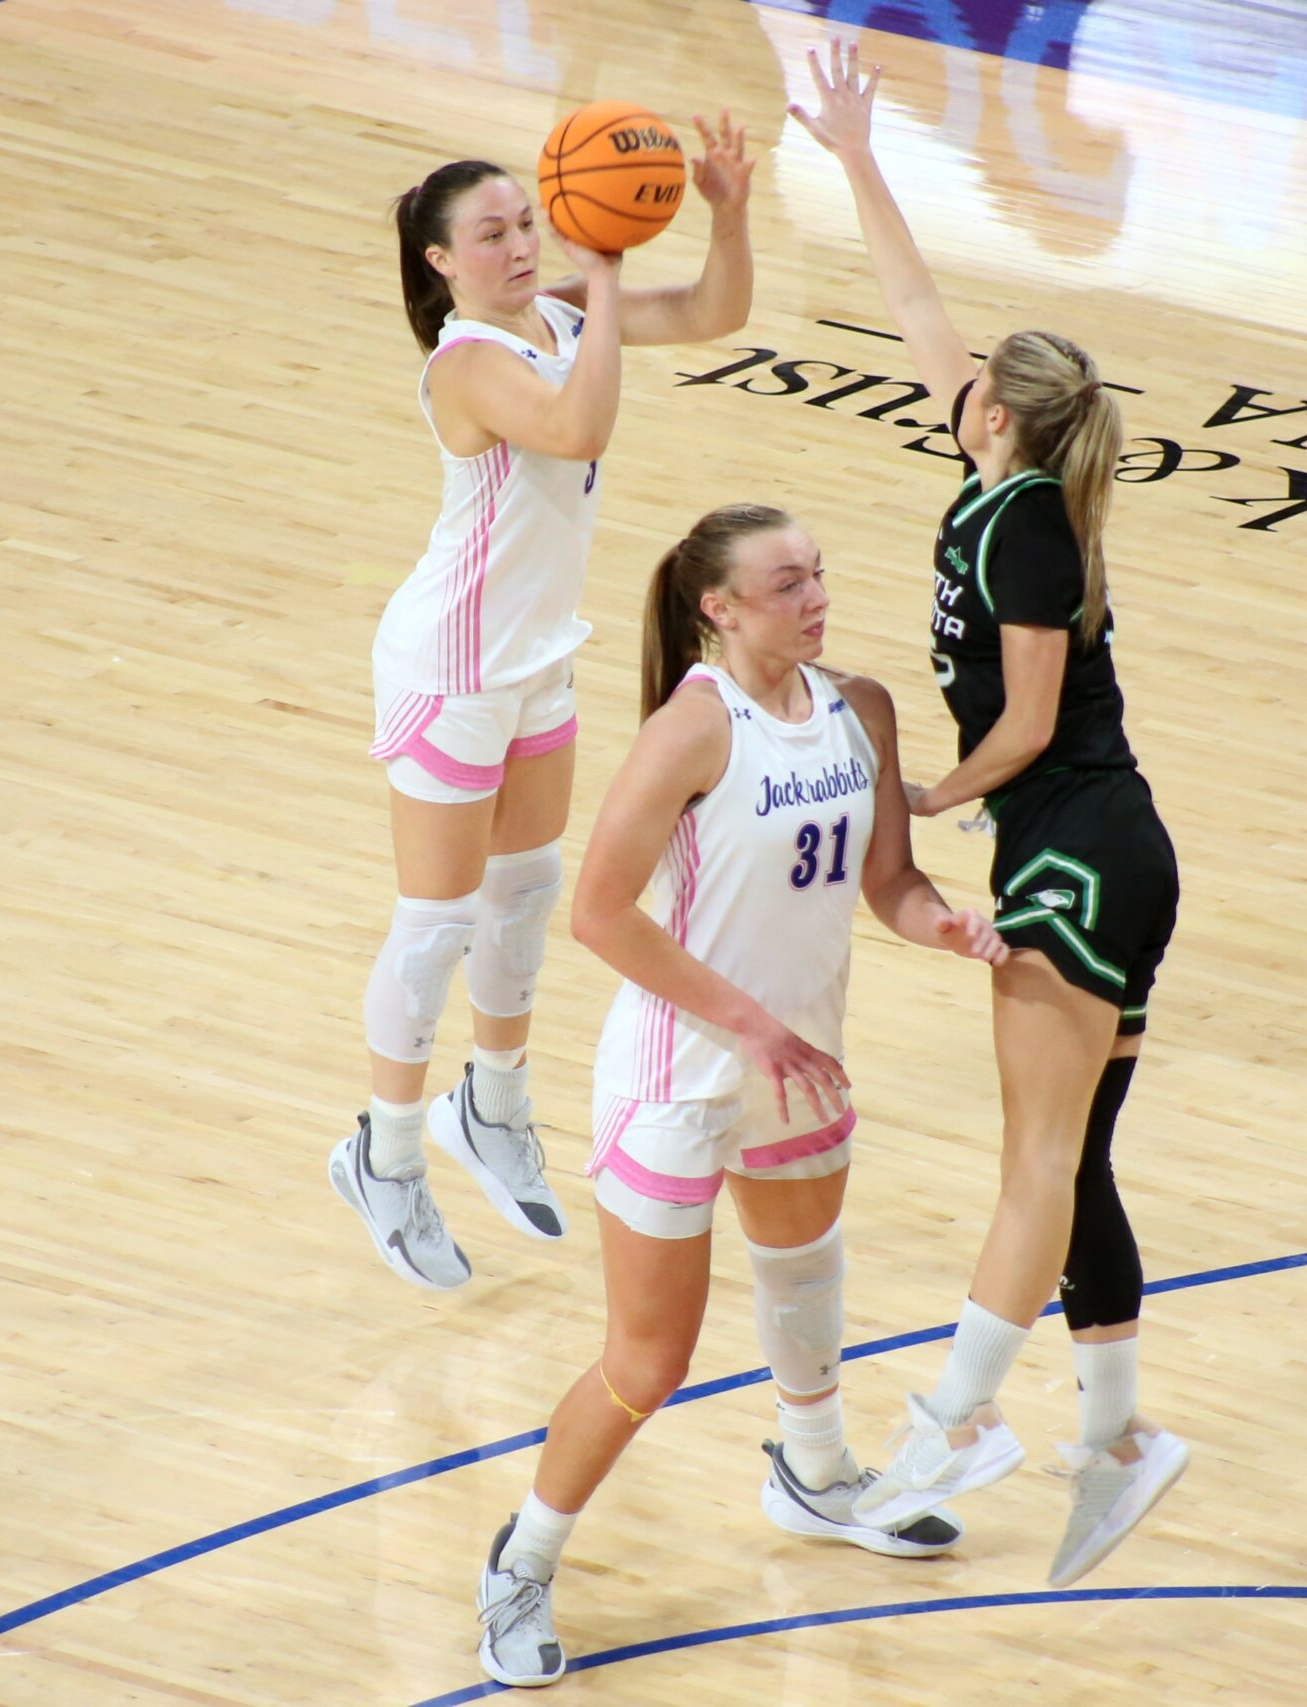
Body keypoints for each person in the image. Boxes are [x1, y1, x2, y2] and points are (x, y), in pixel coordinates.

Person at [470, 504, 1008, 1688]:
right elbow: (598, 916)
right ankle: (523, 1558)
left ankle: (815, 1476)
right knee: (649, 1361)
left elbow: (889, 879)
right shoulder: (692, 730)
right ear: (719, 606)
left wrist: (949, 928)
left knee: (806, 1282)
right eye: (785, 584)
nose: (815, 598)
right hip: (686, 1074)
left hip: (798, 1060)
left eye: (820, 574)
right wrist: (749, 1023)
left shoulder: (859, 707)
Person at [788, 43, 1191, 1587]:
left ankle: (956, 1421)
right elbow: (914, 308)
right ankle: (1121, 1438)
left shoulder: (1031, 532)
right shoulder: (1005, 461)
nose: (950, 390)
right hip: (1103, 846)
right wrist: (856, 153)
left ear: (1004, 423)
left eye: (975, 390)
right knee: (1075, 1164)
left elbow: (1026, 723)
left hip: (1081, 848)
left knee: (1032, 1161)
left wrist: (920, 794)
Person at [330, 123, 757, 1289]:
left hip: (532, 660)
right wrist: (609, 283)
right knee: (436, 921)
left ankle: (495, 1106)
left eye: (527, 222)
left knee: (524, 894)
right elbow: (580, 427)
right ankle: (385, 1152)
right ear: (439, 262)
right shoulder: (468, 361)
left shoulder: (562, 316)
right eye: (492, 233)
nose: (520, 245)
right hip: (449, 669)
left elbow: (716, 312)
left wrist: (723, 211)